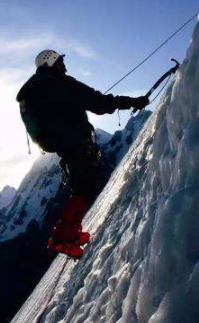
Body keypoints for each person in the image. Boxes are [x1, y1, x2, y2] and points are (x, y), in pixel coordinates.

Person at [16, 50, 149, 258]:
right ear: (51, 63)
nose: (63, 63)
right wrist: (131, 101)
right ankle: (62, 238)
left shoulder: (35, 89)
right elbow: (98, 102)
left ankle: (70, 232)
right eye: (60, 60)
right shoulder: (60, 83)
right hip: (76, 141)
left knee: (81, 188)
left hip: (62, 144)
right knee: (85, 189)